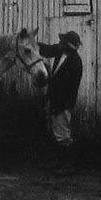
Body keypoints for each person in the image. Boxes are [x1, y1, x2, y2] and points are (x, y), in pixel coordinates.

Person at [39, 31, 83, 171]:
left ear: (68, 45)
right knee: (59, 132)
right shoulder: (62, 53)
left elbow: (66, 85)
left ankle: (68, 165)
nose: (59, 44)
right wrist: (33, 43)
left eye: (63, 42)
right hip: (57, 100)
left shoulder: (75, 62)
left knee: (62, 134)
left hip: (63, 102)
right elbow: (47, 50)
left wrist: (49, 81)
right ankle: (62, 164)